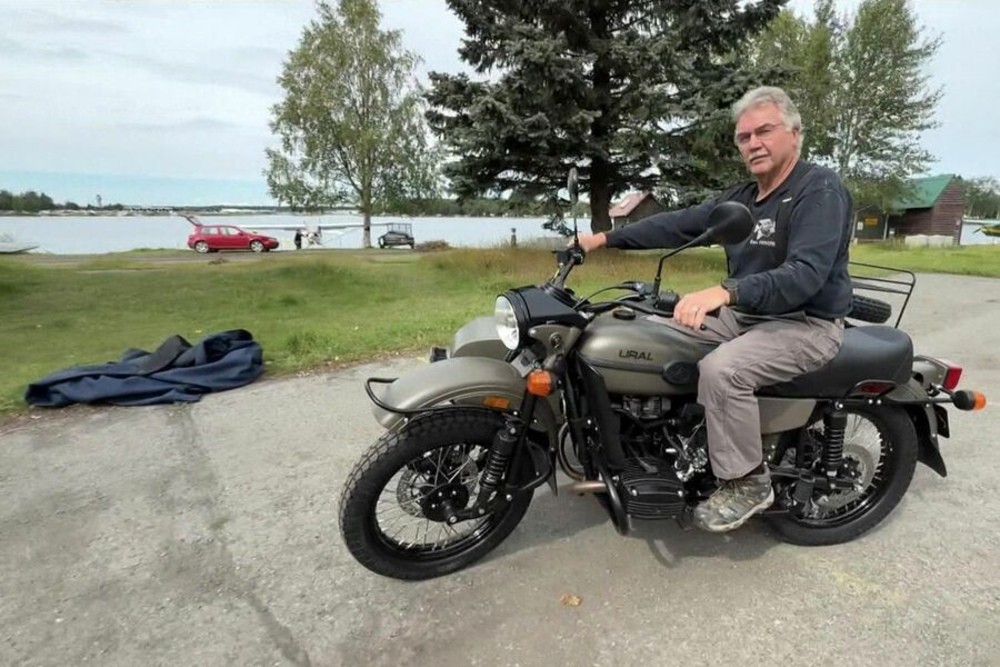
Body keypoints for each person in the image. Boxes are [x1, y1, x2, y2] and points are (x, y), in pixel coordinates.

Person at [576, 86, 854, 533]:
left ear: (794, 133)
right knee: (647, 337)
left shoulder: (819, 189)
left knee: (723, 371)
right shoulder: (744, 198)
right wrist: (605, 238)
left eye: (764, 131)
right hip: (749, 316)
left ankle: (747, 482)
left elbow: (805, 274)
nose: (753, 143)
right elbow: (680, 223)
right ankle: (662, 443)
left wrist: (727, 291)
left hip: (805, 323)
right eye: (744, 137)